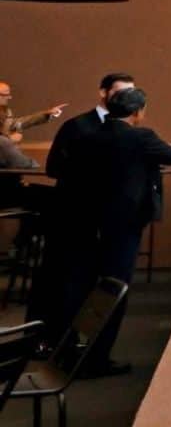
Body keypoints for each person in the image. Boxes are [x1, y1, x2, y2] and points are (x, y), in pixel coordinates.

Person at [92, 85, 171, 377]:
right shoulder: (140, 137)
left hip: (92, 218)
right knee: (115, 286)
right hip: (125, 222)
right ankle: (99, 357)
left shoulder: (92, 134)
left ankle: (79, 348)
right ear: (137, 112)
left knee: (92, 283)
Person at [29, 73, 134, 337]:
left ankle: (76, 346)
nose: (127, 99)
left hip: (104, 220)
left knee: (91, 285)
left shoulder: (126, 131)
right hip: (72, 214)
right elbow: (54, 167)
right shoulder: (78, 126)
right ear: (103, 92)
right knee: (60, 278)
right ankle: (44, 340)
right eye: (121, 93)